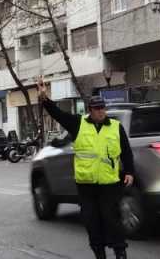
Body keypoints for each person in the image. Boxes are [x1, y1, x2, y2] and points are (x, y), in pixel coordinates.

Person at [36, 77, 134, 259]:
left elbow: (126, 152)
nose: (101, 111)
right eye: (97, 109)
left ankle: (120, 253)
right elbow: (58, 114)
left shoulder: (115, 127)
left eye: (103, 108)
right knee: (91, 222)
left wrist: (129, 171)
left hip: (109, 184)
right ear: (90, 110)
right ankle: (99, 254)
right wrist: (45, 99)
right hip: (86, 186)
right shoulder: (78, 124)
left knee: (112, 220)